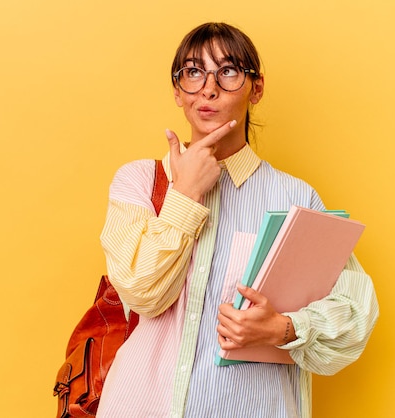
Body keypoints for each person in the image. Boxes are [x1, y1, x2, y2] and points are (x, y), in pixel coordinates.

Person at [96, 22, 379, 418]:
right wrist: (185, 194)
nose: (209, 88)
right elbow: (144, 293)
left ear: (256, 87)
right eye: (193, 72)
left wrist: (283, 329)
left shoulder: (295, 198)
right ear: (177, 91)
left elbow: (355, 315)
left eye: (227, 71)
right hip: (141, 404)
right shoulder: (140, 181)